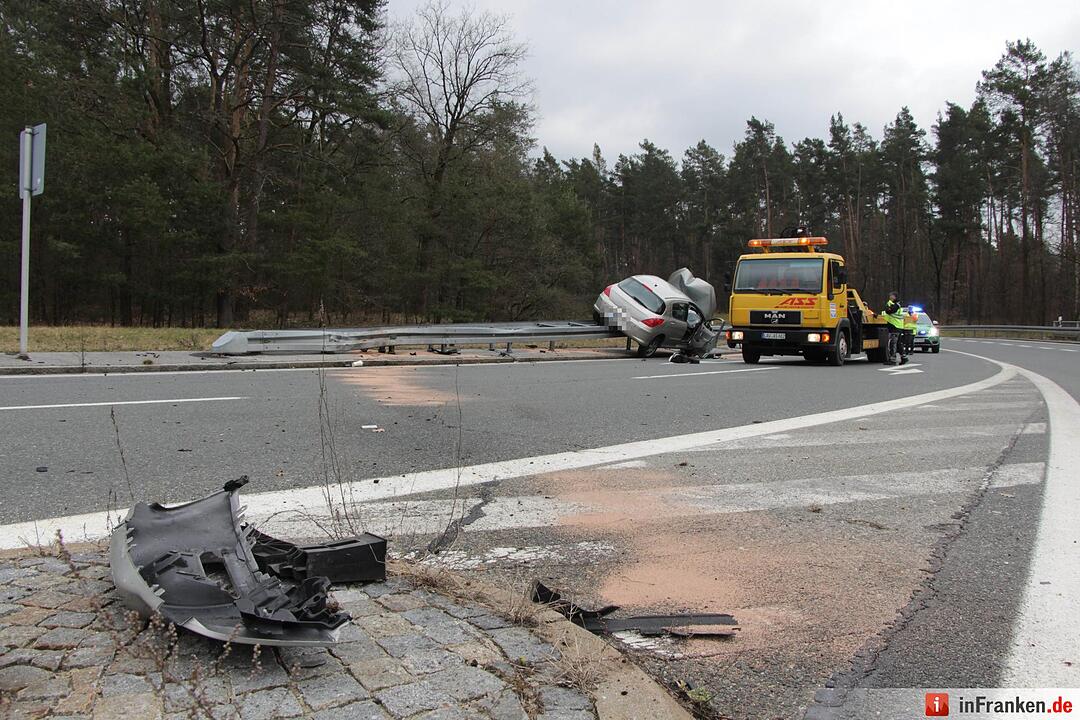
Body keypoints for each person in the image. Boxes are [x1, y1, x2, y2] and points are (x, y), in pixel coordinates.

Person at [883, 291, 908, 365]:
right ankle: (904, 357)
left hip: (895, 326)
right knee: (898, 344)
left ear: (895, 297)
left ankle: (893, 359)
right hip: (898, 326)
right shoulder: (897, 304)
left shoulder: (896, 305)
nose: (890, 297)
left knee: (893, 343)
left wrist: (888, 308)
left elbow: (889, 311)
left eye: (892, 296)